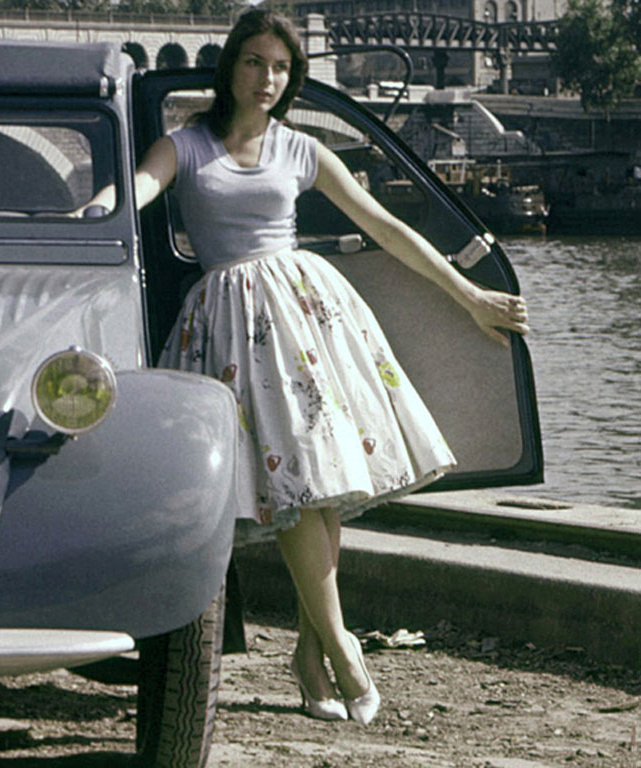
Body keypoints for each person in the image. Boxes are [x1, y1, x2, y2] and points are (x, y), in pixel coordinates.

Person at [90, 9, 530, 725]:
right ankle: (340, 644)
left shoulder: (302, 150)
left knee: (315, 486)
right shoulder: (186, 145)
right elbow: (135, 188)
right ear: (231, 67)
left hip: (306, 317)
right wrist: (85, 213)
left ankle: (313, 650)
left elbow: (387, 228)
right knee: (296, 483)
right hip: (230, 326)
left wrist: (470, 294)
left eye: (282, 68)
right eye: (255, 63)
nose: (268, 79)